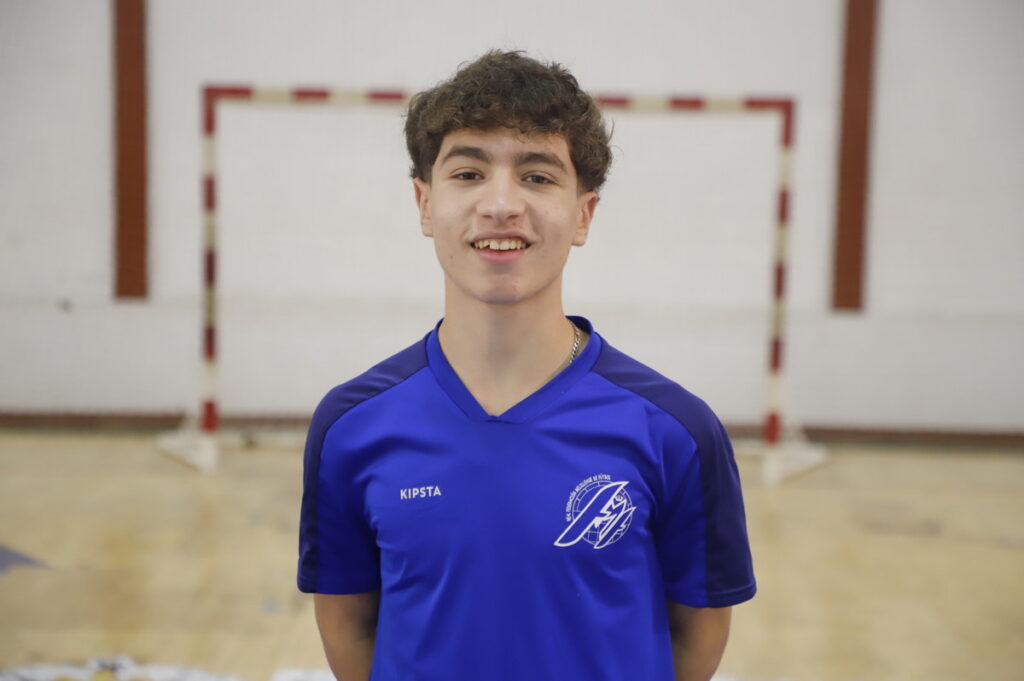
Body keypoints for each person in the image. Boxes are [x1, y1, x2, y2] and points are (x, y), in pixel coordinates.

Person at [298, 50, 755, 681]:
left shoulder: (675, 430)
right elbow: (348, 622)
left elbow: (699, 633)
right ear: (424, 205)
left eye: (538, 177)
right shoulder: (351, 425)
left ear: (583, 215)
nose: (501, 204)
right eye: (468, 173)